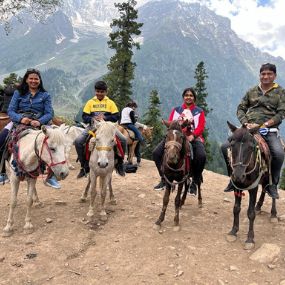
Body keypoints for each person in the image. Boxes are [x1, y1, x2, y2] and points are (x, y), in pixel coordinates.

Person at [221, 63, 285, 199]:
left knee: (278, 154)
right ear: (260, 75)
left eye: (269, 74)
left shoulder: (280, 92)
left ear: (275, 76)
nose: (266, 77)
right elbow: (241, 108)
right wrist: (245, 123)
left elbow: (281, 114)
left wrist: (265, 124)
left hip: (268, 129)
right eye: (263, 74)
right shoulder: (252, 91)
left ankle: (271, 184)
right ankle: (232, 178)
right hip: (248, 128)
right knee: (225, 146)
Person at [0, 68, 61, 189]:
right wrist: (21, 119)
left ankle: (51, 175)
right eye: (31, 78)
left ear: (39, 80)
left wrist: (39, 121)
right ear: (26, 80)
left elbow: (49, 113)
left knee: (54, 142)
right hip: (19, 121)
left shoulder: (45, 95)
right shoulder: (19, 93)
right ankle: (2, 172)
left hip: (39, 122)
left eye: (36, 79)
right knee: (1, 139)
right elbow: (11, 110)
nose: (33, 81)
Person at [152, 87, 207, 195]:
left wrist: (193, 135)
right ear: (183, 97)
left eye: (191, 95)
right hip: (176, 137)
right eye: (186, 95)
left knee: (201, 156)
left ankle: (195, 182)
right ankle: (164, 178)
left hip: (193, 137)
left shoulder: (199, 111)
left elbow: (200, 126)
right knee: (156, 153)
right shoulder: (176, 110)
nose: (188, 97)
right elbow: (172, 124)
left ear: (194, 98)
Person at [75, 80, 126, 178]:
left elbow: (116, 116)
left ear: (106, 92)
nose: (99, 93)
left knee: (123, 140)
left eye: (102, 92)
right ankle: (84, 165)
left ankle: (120, 163)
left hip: (108, 127)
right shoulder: (90, 102)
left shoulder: (110, 102)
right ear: (95, 91)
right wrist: (92, 118)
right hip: (93, 126)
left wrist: (105, 118)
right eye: (97, 91)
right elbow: (85, 116)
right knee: (78, 141)